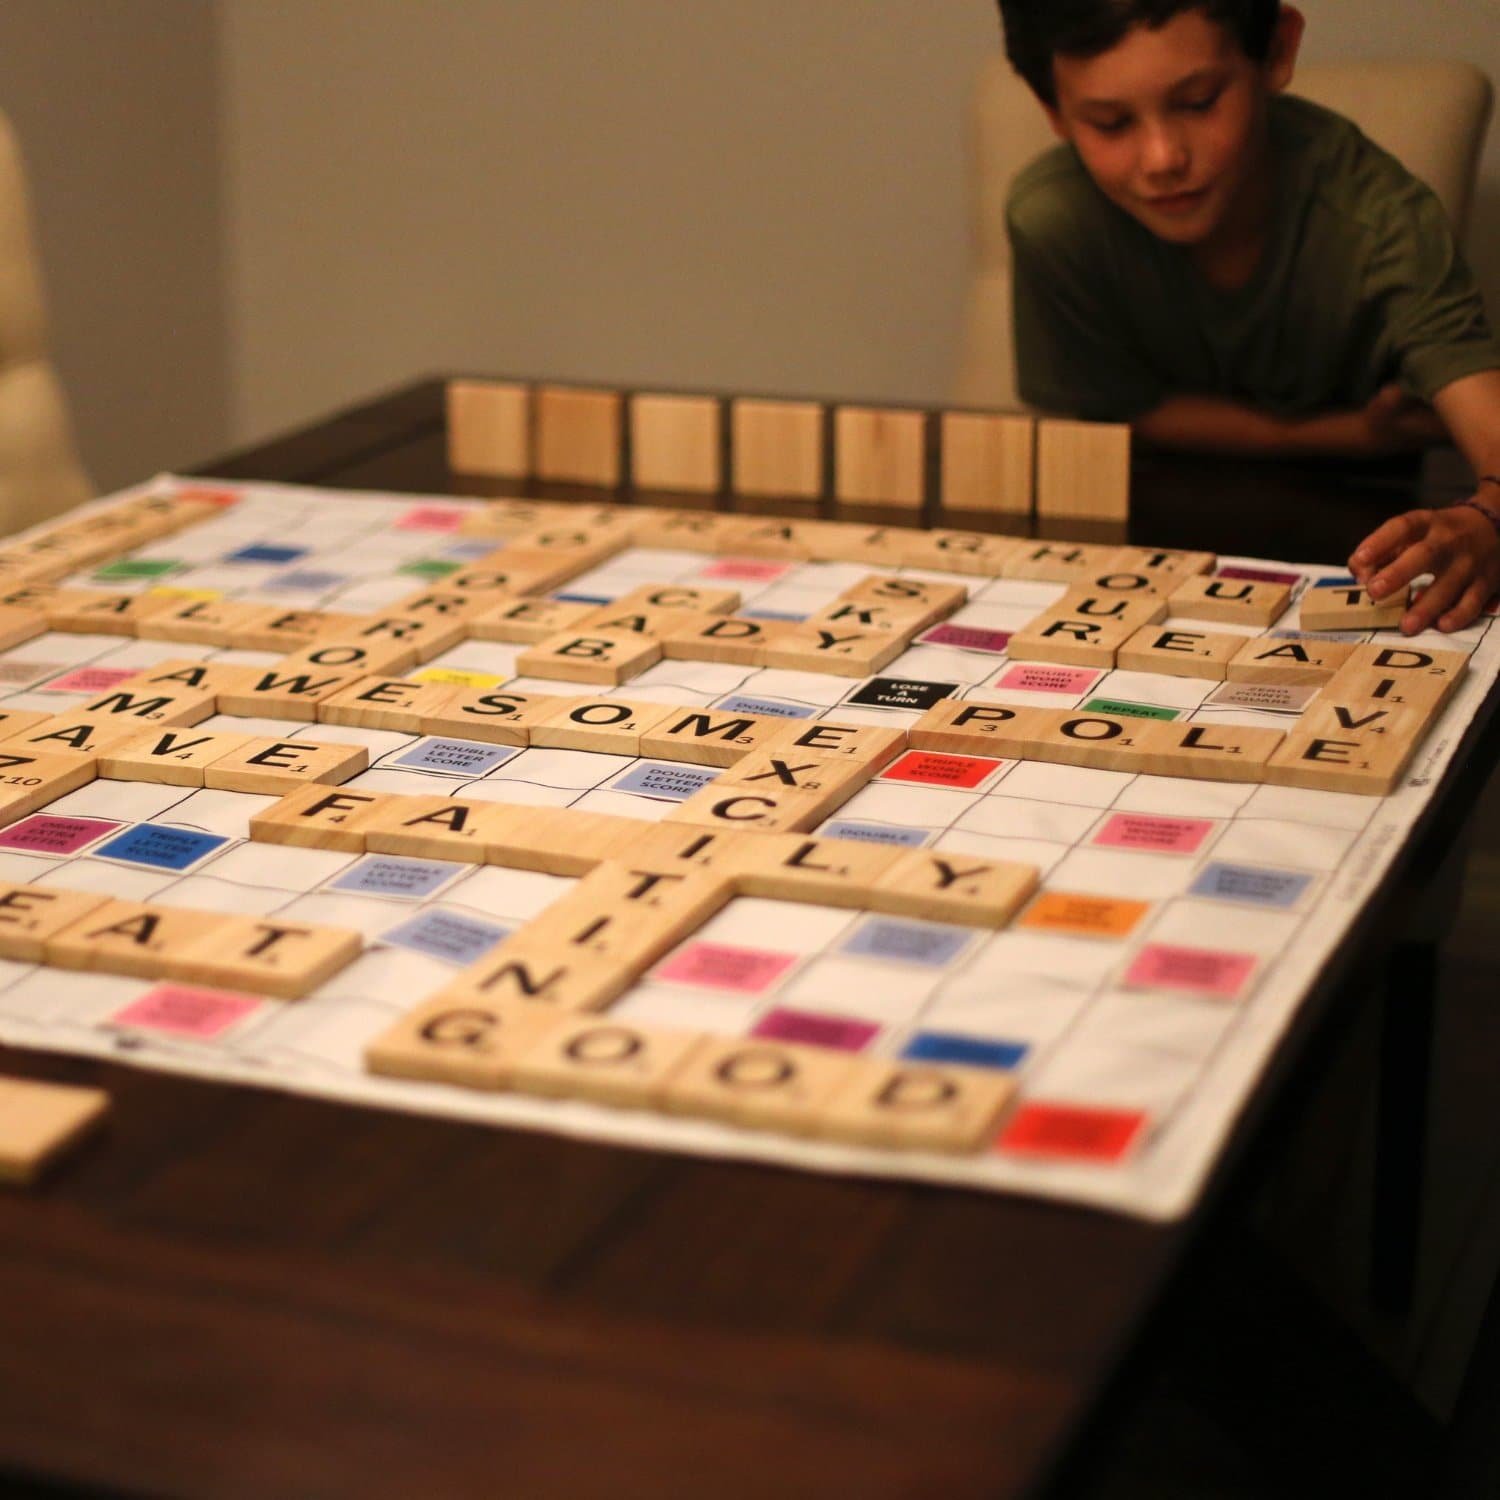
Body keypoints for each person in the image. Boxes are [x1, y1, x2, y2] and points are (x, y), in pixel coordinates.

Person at [997, 0, 1500, 634]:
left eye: (1200, 101)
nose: (1162, 158)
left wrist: (1489, 519)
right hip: (1145, 552)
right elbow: (1118, 413)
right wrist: (1348, 434)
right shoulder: (1054, 218)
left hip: (1356, 548)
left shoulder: (1379, 218)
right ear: (1053, 111)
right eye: (1110, 122)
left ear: (1277, 50)